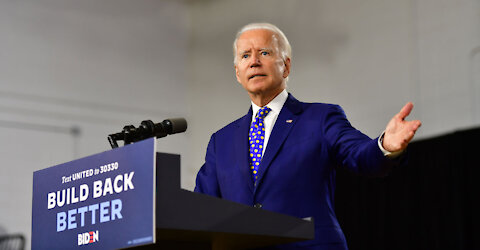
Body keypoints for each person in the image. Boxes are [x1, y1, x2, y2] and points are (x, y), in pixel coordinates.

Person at [194, 23, 421, 249]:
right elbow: (200, 209)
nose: (254, 61)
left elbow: (359, 155)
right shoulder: (220, 142)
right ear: (237, 73)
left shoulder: (320, 118)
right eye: (245, 56)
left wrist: (385, 146)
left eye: (264, 53)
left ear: (286, 66)